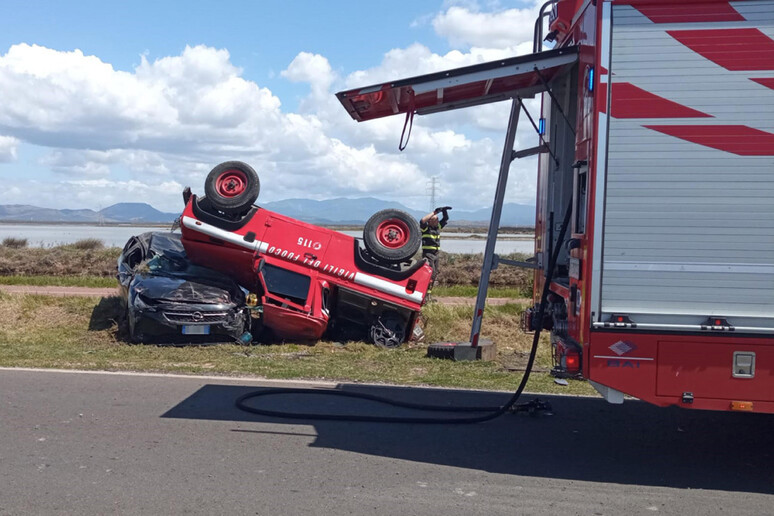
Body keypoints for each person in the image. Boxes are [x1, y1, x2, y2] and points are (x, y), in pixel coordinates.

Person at [420, 206, 451, 298]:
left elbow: (446, 218)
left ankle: (429, 294)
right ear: (430, 221)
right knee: (430, 273)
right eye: (435, 219)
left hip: (436, 254)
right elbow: (422, 221)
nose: (437, 221)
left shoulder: (438, 227)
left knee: (435, 273)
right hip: (428, 254)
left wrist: (444, 211)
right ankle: (425, 294)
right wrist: (435, 212)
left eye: (437, 220)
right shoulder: (425, 229)